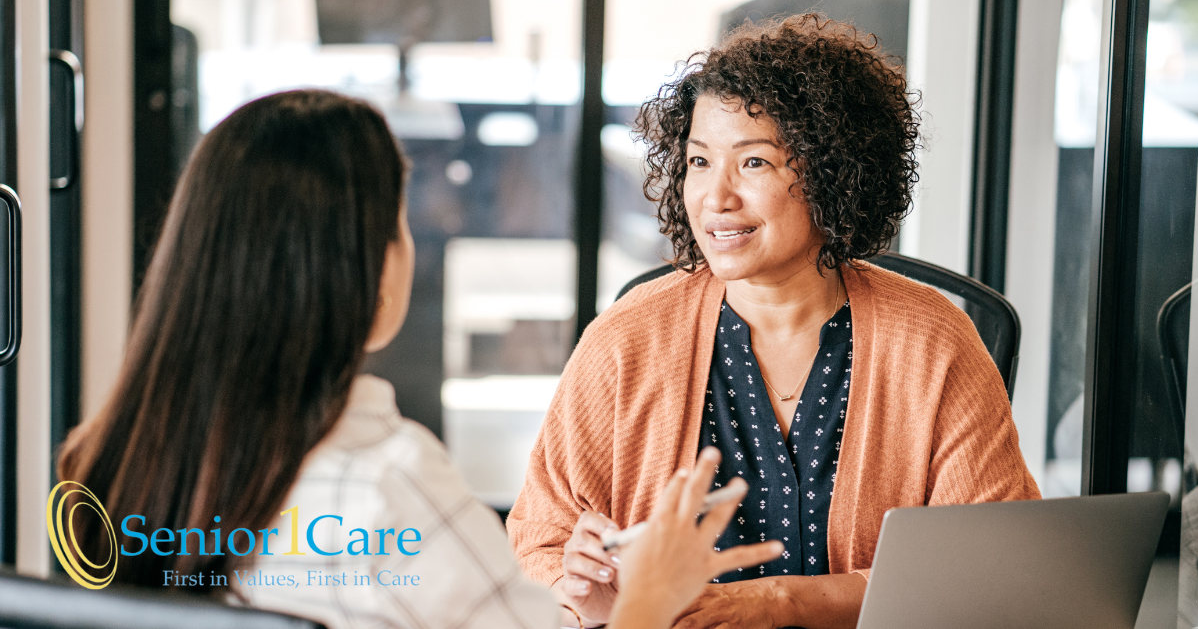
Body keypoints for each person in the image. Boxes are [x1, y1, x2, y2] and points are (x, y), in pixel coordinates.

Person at [56, 89, 781, 629]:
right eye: (400, 224)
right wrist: (651, 597)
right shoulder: (388, 483)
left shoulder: (110, 459)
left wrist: (587, 608)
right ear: (365, 270)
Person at [507, 14, 1041, 629]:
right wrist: (583, 592)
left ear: (833, 170)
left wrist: (781, 601)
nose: (716, 197)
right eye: (700, 162)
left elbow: (987, 568)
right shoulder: (627, 339)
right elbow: (538, 545)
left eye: (753, 163)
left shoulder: (932, 341)